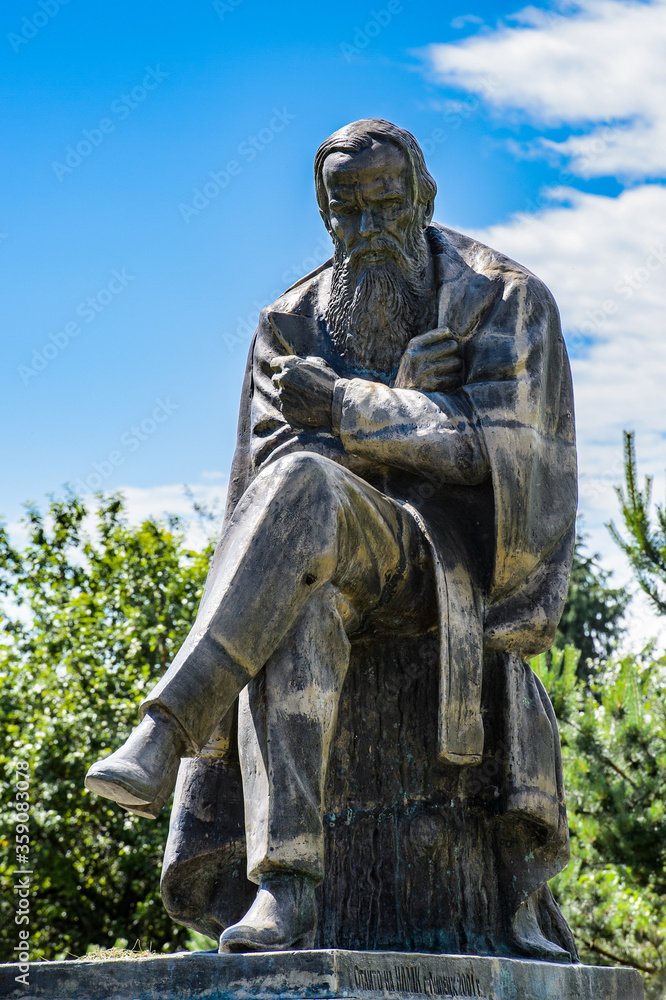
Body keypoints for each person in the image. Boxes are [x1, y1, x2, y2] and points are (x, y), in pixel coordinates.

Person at [85, 119, 577, 955]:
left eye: (385, 205)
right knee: (297, 607)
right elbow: (265, 491)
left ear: (423, 197)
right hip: (329, 562)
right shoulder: (291, 322)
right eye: (345, 211)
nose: (366, 230)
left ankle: (167, 727)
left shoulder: (501, 298)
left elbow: (504, 455)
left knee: (313, 480)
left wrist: (355, 408)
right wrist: (409, 406)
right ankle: (289, 889)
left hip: (446, 565)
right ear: (324, 215)